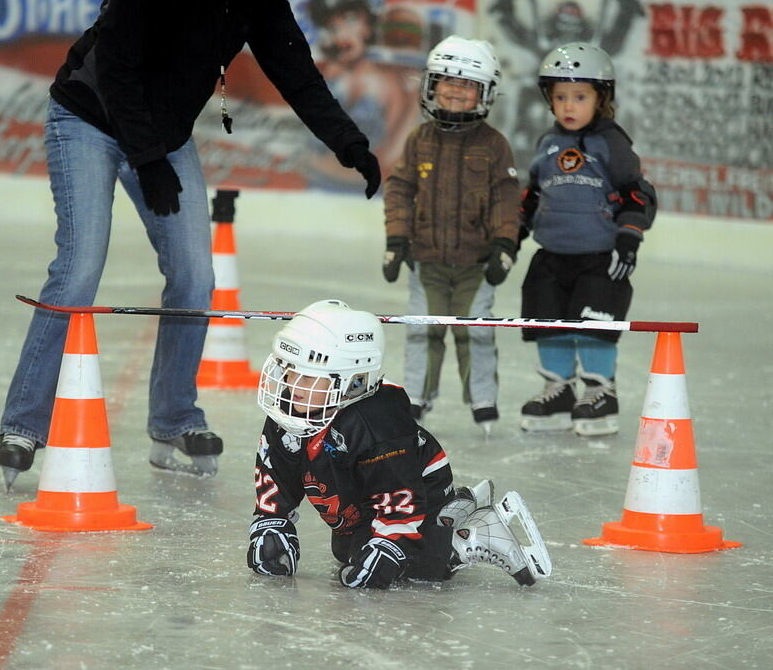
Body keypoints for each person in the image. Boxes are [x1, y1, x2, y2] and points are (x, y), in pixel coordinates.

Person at [0, 0, 381, 490]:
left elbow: (298, 74)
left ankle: (174, 419)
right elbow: (117, 64)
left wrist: (349, 143)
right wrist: (147, 159)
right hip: (90, 120)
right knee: (79, 268)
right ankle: (24, 423)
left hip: (163, 137)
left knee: (196, 276)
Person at [247, 300, 552, 589]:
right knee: (349, 550)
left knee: (418, 562)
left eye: (309, 375)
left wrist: (390, 543)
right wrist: (272, 521)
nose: (291, 383)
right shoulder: (290, 409)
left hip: (418, 490)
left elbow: (398, 492)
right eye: (289, 368)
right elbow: (277, 468)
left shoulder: (377, 423)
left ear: (352, 380)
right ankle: (453, 513)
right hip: (361, 502)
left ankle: (472, 535)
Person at [518, 42, 657, 436]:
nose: (569, 106)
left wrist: (628, 238)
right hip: (551, 254)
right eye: (560, 97)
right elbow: (532, 194)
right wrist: (512, 235)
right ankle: (559, 391)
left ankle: (600, 391)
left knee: (592, 325)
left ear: (602, 98)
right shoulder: (547, 143)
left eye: (580, 97)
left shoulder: (611, 143)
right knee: (549, 322)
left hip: (598, 256)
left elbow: (637, 193)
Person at [382, 36, 520, 434]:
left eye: (468, 85)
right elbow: (400, 191)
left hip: (475, 265)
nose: (456, 92)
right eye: (447, 81)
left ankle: (482, 401)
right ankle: (415, 399)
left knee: (475, 330)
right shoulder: (418, 140)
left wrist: (504, 245)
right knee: (422, 330)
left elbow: (505, 200)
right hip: (426, 262)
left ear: (485, 93)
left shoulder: (494, 146)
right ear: (431, 85)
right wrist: (396, 241)